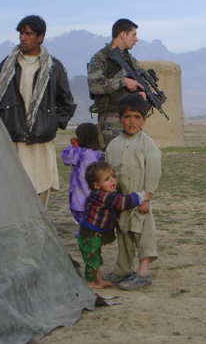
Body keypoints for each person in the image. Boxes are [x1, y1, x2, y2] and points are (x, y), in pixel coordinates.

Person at [0, 15, 75, 206]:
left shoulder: (53, 68)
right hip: (12, 139)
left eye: (28, 33)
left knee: (39, 194)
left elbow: (66, 102)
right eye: (21, 33)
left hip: (40, 142)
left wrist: (51, 125)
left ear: (40, 37)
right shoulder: (7, 65)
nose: (23, 38)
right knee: (13, 196)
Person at [104, 94, 162, 290]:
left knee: (144, 234)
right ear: (119, 118)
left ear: (144, 119)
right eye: (127, 116)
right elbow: (109, 172)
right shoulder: (113, 145)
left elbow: (154, 172)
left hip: (141, 200)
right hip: (121, 201)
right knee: (124, 233)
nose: (132, 121)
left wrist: (147, 198)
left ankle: (143, 272)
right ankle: (123, 269)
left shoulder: (148, 145)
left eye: (137, 117)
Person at [79, 161, 151, 289]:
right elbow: (123, 202)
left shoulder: (99, 194)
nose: (112, 181)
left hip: (93, 235)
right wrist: (141, 196)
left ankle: (99, 280)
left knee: (96, 258)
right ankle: (89, 282)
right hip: (89, 235)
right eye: (106, 179)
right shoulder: (105, 197)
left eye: (113, 176)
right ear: (96, 185)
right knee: (92, 260)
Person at [87, 18, 146, 149]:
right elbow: (95, 86)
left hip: (132, 122)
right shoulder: (101, 58)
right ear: (122, 35)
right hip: (111, 122)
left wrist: (140, 96)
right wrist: (123, 81)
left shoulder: (132, 62)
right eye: (134, 34)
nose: (136, 39)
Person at [61, 123, 102, 224]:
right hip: (93, 196)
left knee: (82, 220)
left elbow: (66, 159)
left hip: (80, 196)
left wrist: (72, 146)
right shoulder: (96, 153)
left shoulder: (79, 152)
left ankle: (84, 235)